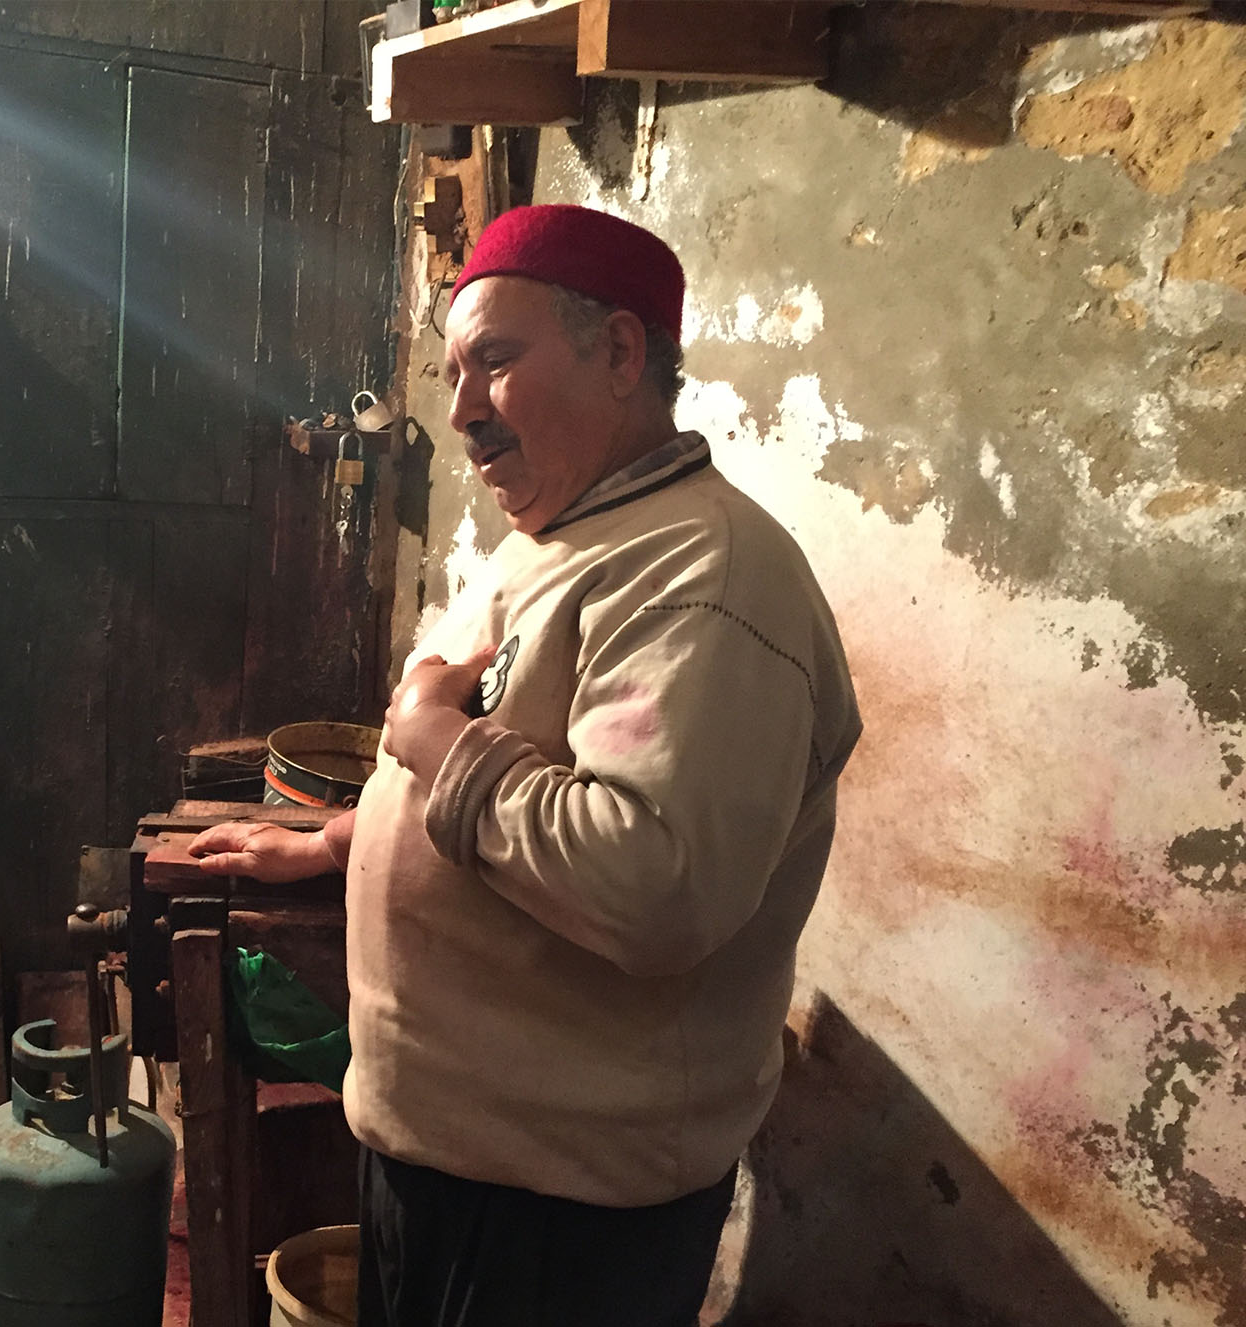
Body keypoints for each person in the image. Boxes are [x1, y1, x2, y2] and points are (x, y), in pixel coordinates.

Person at [191, 205, 862, 1325]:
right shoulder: (563, 538)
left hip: (558, 1217)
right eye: (454, 372)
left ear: (619, 351)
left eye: (495, 361)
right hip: (460, 1162)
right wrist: (336, 843)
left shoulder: (704, 576)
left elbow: (653, 882)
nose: (460, 410)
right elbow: (498, 771)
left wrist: (434, 739)